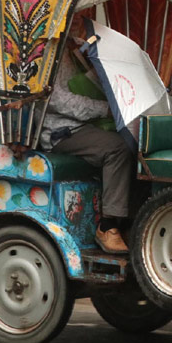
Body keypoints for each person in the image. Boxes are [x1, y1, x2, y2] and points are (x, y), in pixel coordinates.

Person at [39, 15, 131, 254]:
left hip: (84, 123)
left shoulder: (75, 46)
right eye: (75, 14)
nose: (81, 19)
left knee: (133, 142)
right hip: (62, 130)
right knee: (117, 148)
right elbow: (58, 100)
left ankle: (128, 221)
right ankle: (107, 226)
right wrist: (104, 109)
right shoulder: (48, 52)